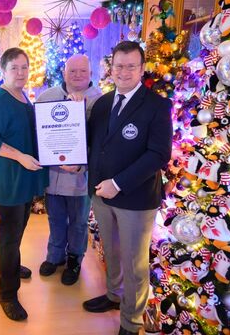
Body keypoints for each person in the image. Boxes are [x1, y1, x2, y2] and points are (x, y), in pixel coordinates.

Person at [82, 41, 173, 335]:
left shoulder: (157, 106)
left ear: (142, 68)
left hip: (136, 198)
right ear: (111, 68)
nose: (124, 72)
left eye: (131, 66)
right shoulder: (102, 104)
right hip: (101, 195)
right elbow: (94, 145)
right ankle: (113, 295)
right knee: (111, 250)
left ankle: (131, 322)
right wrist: (72, 159)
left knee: (135, 263)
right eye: (119, 66)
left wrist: (118, 183)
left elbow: (159, 155)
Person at [0, 47, 48, 321]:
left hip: (23, 176)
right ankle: (7, 294)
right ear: (3, 71)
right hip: (7, 179)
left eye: (24, 67)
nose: (20, 73)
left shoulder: (22, 95)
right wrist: (20, 157)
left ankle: (8, 265)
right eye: (14, 68)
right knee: (10, 235)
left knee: (17, 230)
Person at [36, 54, 102, 285]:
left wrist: (82, 165)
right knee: (55, 219)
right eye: (72, 71)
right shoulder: (46, 97)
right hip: (52, 177)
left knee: (78, 222)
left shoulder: (100, 101)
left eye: (83, 71)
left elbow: (102, 143)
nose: (77, 75)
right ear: (64, 73)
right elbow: (38, 134)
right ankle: (55, 256)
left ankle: (74, 260)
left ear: (91, 73)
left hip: (79, 179)